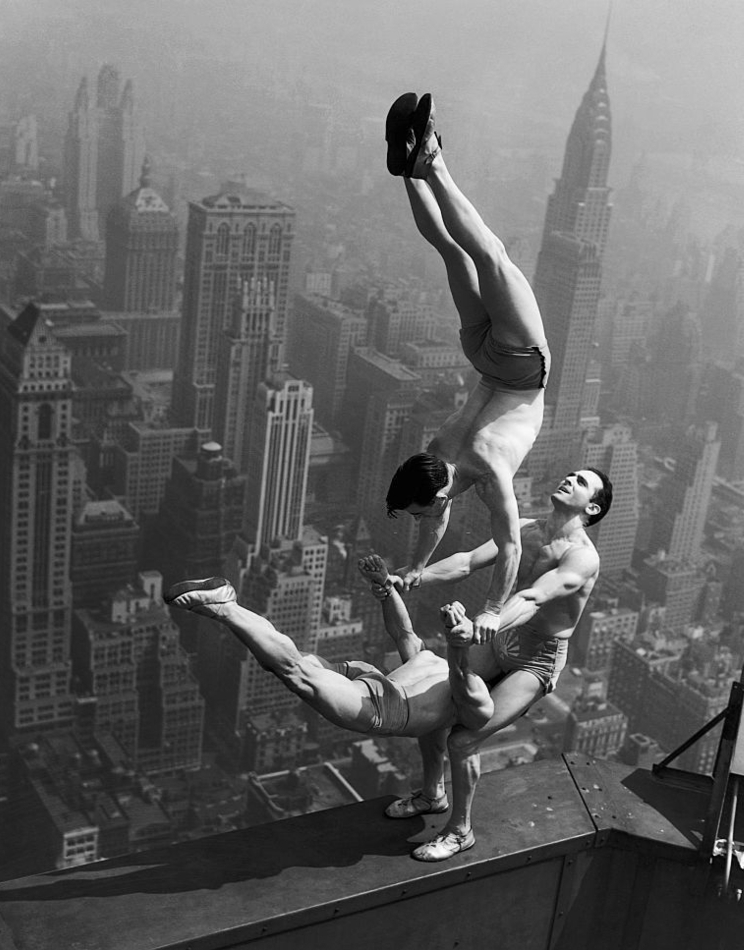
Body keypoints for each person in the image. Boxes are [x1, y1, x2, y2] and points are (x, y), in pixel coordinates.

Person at [379, 467, 613, 861]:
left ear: (591, 507)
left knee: (465, 737)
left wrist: (484, 622)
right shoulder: (525, 527)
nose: (569, 479)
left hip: (536, 659)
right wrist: (417, 576)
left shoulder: (583, 558)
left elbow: (534, 598)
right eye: (571, 474)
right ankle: (432, 795)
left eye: (582, 482)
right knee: (437, 711)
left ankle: (460, 831)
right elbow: (469, 561)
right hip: (498, 637)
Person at [384, 92, 549, 642]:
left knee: (490, 256)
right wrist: (414, 568)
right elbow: (437, 520)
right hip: (481, 354)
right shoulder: (434, 456)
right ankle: (411, 171)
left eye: (415, 511)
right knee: (459, 255)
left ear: (431, 492)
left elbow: (510, 546)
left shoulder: (483, 468)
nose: (420, 518)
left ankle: (429, 159)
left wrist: (493, 610)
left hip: (518, 364)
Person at [163, 556, 494, 750]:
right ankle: (225, 608)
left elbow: (411, 638)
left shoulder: (469, 690)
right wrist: (386, 588)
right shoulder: (465, 685)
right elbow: (404, 632)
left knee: (293, 661)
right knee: (295, 672)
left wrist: (454, 637)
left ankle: (224, 604)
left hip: (374, 682)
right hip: (383, 706)